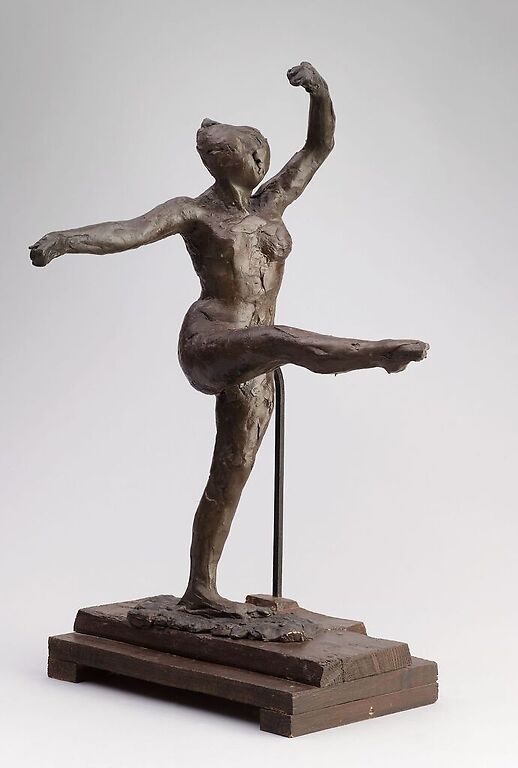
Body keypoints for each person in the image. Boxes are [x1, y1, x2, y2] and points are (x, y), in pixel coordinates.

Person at [30, 62, 428, 616]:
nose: (257, 161)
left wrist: (319, 92)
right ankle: (377, 355)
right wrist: (63, 240)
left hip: (257, 354)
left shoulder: (272, 202)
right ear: (222, 160)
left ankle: (201, 586)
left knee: (234, 466)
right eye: (245, 151)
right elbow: (126, 232)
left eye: (258, 152)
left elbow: (319, 147)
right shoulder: (193, 211)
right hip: (211, 341)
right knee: (284, 339)